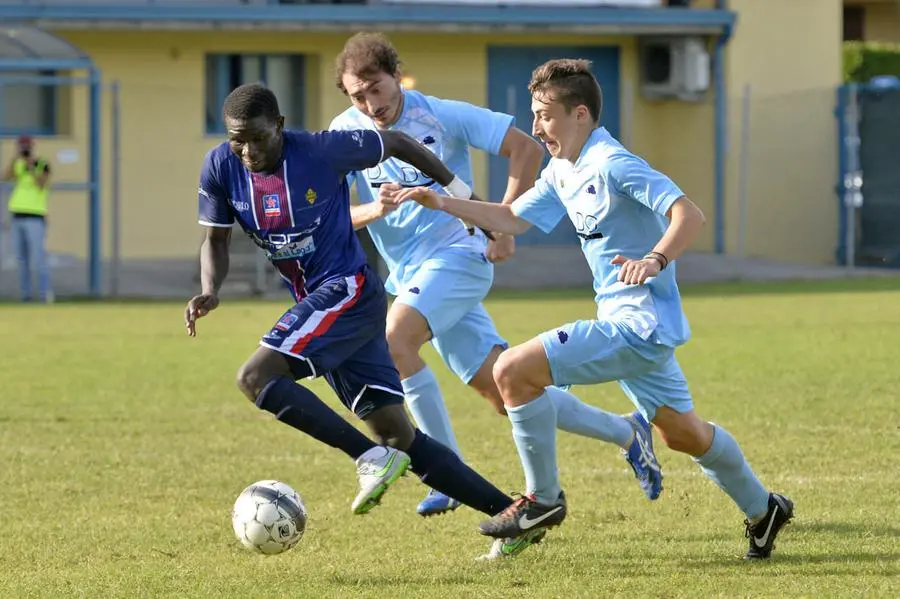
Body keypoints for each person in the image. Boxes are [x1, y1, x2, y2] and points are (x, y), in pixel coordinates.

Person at [387, 59, 794, 560]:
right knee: (682, 435)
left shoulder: (613, 163)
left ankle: (542, 500)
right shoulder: (563, 169)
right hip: (630, 325)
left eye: (545, 115)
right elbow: (512, 218)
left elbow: (689, 213)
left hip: (638, 324)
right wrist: (443, 203)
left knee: (512, 370)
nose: (537, 127)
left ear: (580, 114)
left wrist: (654, 258)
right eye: (534, 116)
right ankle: (763, 508)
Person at [185, 82, 542, 560]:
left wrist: (460, 192)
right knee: (398, 434)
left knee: (254, 377)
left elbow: (394, 141)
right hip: (325, 304)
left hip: (347, 291)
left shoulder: (319, 149)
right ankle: (513, 515)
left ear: (281, 127)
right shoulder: (221, 166)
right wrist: (210, 288)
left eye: (258, 138)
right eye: (237, 139)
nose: (248, 150)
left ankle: (368, 458)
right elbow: (216, 240)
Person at [330, 32, 663, 518]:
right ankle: (626, 431)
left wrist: (500, 224)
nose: (369, 104)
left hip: (457, 256)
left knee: (395, 342)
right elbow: (337, 214)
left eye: (375, 89)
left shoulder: (440, 114)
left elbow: (524, 149)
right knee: (502, 391)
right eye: (357, 96)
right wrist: (372, 211)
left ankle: (441, 471)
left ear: (396, 76)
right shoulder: (345, 134)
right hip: (408, 277)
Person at [3, 135, 52, 303]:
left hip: (35, 216)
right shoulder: (18, 164)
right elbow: (5, 177)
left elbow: (42, 184)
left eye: (26, 146)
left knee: (38, 258)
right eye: (21, 146)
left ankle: (45, 294)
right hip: (17, 214)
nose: (24, 149)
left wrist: (31, 166)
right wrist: (15, 161)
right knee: (21, 258)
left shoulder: (41, 164)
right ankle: (26, 295)